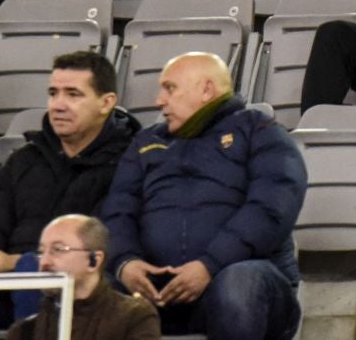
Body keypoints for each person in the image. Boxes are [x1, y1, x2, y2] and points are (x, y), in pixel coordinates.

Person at [102, 53, 306, 340]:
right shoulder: (147, 142)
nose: (159, 101)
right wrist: (126, 263)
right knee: (89, 287)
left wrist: (210, 265)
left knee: (239, 282)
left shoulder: (259, 129)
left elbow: (272, 207)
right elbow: (117, 211)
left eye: (169, 88)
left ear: (206, 90)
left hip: (243, 285)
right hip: (154, 293)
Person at [0, 53, 138, 285]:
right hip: (1, 280)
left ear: (106, 102)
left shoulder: (127, 163)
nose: (58, 105)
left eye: (73, 94)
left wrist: (14, 264)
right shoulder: (24, 159)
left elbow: (96, 250)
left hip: (73, 288)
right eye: (53, 93)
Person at [7, 215, 161, 340]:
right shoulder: (25, 330)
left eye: (58, 249)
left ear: (94, 260)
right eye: (41, 252)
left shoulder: (134, 317)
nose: (44, 262)